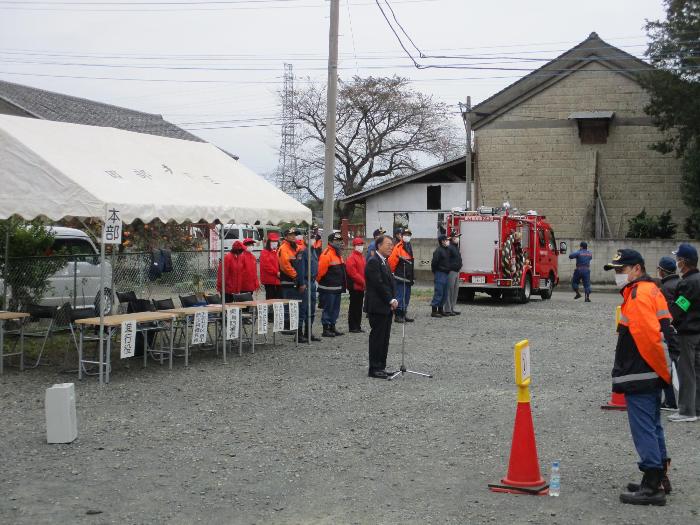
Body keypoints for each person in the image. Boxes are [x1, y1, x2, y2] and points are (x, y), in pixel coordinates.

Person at [604, 249, 674, 506]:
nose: (618, 275)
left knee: (643, 427)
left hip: (641, 371)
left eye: (621, 270)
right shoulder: (652, 290)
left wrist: (660, 372)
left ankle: (652, 484)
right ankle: (660, 477)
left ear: (637, 269)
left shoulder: (638, 294)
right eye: (616, 271)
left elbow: (647, 338)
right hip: (650, 371)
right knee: (653, 425)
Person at [668, 242, 700, 423]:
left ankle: (686, 411)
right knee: (698, 370)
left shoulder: (687, 283)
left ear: (684, 262)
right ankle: (697, 407)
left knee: (686, 371)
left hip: (687, 333)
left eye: (678, 259)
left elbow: (681, 307)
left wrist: (669, 318)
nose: (677, 263)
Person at [364, 234, 398, 379]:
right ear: (379, 245)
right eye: (388, 244)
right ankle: (374, 368)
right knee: (377, 338)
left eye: (392, 245)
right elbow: (378, 284)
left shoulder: (384, 261)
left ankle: (381, 366)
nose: (391, 247)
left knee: (384, 338)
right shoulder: (373, 261)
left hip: (386, 307)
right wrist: (390, 299)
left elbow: (389, 283)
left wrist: (393, 299)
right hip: (378, 306)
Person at [656, 256, 680, 411]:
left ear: (663, 271)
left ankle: (671, 401)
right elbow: (684, 304)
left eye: (659, 269)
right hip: (681, 331)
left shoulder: (664, 289)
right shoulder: (680, 284)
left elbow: (664, 313)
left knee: (667, 367)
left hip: (669, 333)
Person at [317, 232, 347, 337]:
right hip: (328, 288)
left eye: (340, 241)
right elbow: (320, 272)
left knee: (335, 309)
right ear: (330, 242)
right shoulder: (327, 254)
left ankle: (332, 327)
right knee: (328, 308)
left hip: (337, 287)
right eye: (336, 241)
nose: (339, 243)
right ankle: (326, 329)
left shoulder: (338, 253)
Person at [278, 228, 305, 336]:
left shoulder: (297, 248)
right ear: (286, 236)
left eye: (295, 235)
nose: (294, 236)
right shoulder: (283, 249)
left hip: (296, 281)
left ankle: (294, 325)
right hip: (288, 281)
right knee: (287, 304)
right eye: (291, 235)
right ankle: (286, 327)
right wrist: (296, 276)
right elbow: (285, 266)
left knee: (295, 305)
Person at [388, 228, 415, 323]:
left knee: (407, 297)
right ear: (402, 236)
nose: (407, 236)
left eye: (409, 235)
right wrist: (392, 273)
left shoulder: (409, 246)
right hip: (400, 277)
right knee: (399, 296)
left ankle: (403, 314)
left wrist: (412, 277)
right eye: (405, 235)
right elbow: (391, 262)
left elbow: (411, 263)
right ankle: (398, 315)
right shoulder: (398, 247)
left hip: (408, 277)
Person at [296, 235, 319, 343]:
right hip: (305, 281)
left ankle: (308, 332)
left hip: (312, 282)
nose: (312, 240)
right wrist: (301, 283)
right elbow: (300, 269)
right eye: (310, 238)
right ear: (305, 240)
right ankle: (299, 334)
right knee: (303, 309)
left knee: (312, 309)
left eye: (314, 238)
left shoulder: (313, 251)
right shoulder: (302, 252)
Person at [345, 237, 366, 333]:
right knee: (354, 307)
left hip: (361, 286)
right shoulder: (351, 258)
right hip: (355, 286)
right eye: (358, 245)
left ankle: (357, 325)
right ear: (354, 246)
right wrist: (363, 282)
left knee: (358, 307)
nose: (360, 246)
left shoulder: (362, 257)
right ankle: (353, 326)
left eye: (361, 245)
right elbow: (353, 274)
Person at [430, 234, 451, 318]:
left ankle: (441, 310)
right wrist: (436, 272)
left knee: (444, 293)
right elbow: (434, 263)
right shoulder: (438, 251)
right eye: (446, 240)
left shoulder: (446, 250)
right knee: (439, 292)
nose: (447, 241)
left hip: (446, 273)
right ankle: (434, 311)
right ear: (442, 241)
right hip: (440, 273)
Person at [443, 232, 463, 316]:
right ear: (451, 238)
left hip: (456, 271)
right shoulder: (449, 247)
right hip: (451, 271)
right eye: (456, 237)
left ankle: (452, 308)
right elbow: (446, 260)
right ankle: (447, 309)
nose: (457, 238)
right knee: (449, 290)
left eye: (458, 237)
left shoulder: (455, 247)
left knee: (455, 291)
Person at [259, 233, 281, 300]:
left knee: (278, 298)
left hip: (278, 279)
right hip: (269, 279)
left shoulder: (279, 251)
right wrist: (276, 272)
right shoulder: (264, 252)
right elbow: (266, 265)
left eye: (276, 241)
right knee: (270, 297)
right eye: (273, 241)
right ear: (269, 242)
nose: (274, 243)